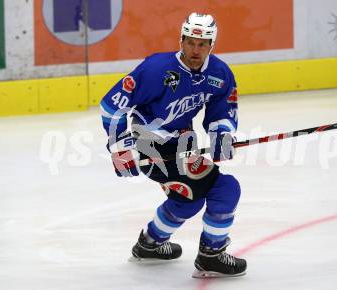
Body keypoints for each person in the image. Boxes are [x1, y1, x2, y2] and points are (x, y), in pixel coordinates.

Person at [100, 12, 246, 278]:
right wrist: (120, 147)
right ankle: (211, 255)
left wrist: (221, 134)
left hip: (183, 144)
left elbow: (222, 110)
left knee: (187, 200)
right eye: (190, 42)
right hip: (151, 145)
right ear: (181, 40)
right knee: (225, 189)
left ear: (211, 45)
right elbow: (112, 106)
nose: (195, 49)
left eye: (202, 44)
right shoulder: (156, 70)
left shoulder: (219, 73)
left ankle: (150, 244)